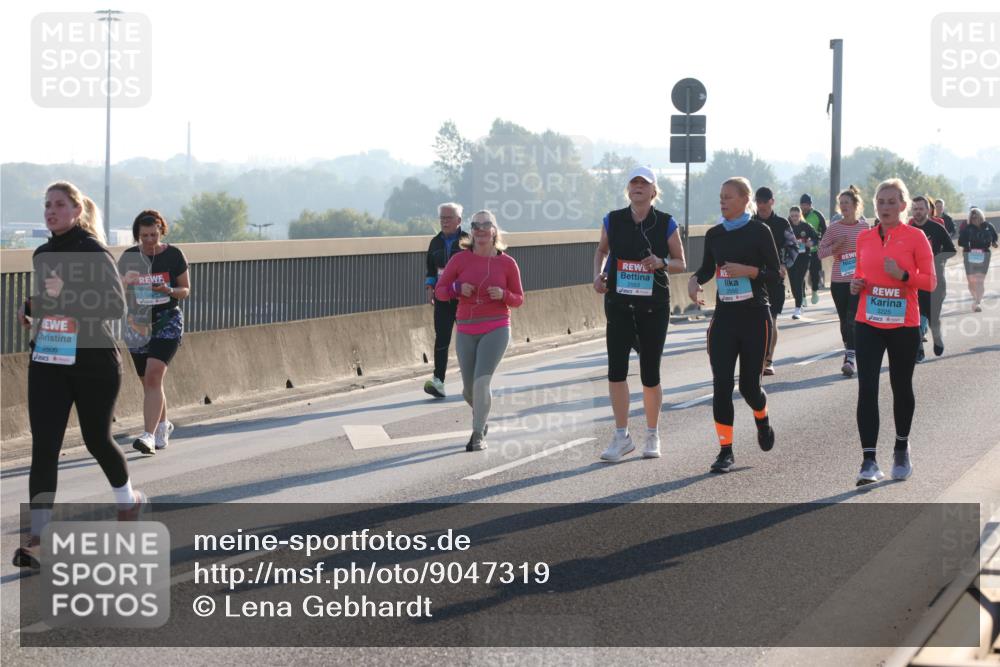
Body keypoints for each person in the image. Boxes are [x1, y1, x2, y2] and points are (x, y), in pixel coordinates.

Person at [13, 182, 147, 569]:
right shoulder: (42, 254)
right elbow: (48, 298)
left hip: (93, 361)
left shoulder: (92, 251)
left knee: (96, 439)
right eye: (46, 205)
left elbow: (114, 306)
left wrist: (66, 293)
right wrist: (30, 308)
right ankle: (39, 537)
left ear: (76, 210)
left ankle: (128, 502)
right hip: (50, 360)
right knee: (44, 447)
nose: (50, 211)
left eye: (58, 205)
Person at [592, 166, 686, 461]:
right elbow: (601, 252)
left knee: (649, 373)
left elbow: (681, 262)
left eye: (643, 184)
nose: (638, 187)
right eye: (633, 183)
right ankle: (621, 436)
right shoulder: (613, 219)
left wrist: (661, 261)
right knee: (616, 371)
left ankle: (652, 434)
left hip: (653, 306)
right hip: (619, 303)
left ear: (654, 191)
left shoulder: (666, 223)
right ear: (627, 190)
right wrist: (597, 276)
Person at [688, 177, 779, 473]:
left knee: (750, 388)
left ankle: (761, 417)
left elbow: (775, 274)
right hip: (725, 318)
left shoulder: (760, 231)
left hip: (755, 317)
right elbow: (705, 269)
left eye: (728, 196)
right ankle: (725, 451)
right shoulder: (715, 234)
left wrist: (750, 271)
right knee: (722, 385)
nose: (722, 201)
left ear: (744, 199)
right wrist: (694, 280)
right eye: (720, 196)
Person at [851, 178, 935, 485]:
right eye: (880, 202)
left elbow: (929, 282)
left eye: (891, 202)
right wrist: (856, 284)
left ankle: (901, 447)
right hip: (868, 322)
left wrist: (902, 275)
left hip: (903, 324)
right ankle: (869, 461)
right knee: (867, 389)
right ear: (874, 206)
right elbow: (860, 274)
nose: (885, 207)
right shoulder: (864, 238)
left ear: (903, 206)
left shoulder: (916, 237)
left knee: (901, 387)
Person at [435, 210, 523, 451]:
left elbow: (519, 299)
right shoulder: (460, 260)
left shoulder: (507, 263)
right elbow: (440, 292)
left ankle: (477, 436)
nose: (481, 229)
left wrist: (504, 295)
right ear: (471, 231)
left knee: (481, 383)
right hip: (466, 328)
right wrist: (457, 287)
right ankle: (482, 420)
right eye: (476, 225)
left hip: (496, 326)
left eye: (487, 225)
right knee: (468, 389)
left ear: (495, 231)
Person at [118, 210, 190, 454]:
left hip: (167, 320)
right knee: (149, 381)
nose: (149, 240)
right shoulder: (128, 257)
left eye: (153, 234)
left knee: (153, 375)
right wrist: (125, 281)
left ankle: (147, 436)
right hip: (137, 322)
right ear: (137, 235)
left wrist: (169, 290)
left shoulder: (174, 254)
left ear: (161, 231)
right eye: (143, 236)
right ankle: (162, 426)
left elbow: (185, 290)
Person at [819, 186, 870, 376]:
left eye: (847, 203)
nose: (843, 207)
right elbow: (821, 252)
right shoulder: (834, 228)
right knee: (843, 321)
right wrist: (835, 247)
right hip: (839, 281)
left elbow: (872, 251)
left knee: (852, 319)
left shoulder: (864, 227)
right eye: (841, 204)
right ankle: (850, 350)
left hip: (858, 280)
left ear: (856, 205)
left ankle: (850, 358)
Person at [422, 203, 469, 398]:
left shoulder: (469, 240)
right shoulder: (435, 242)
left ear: (459, 220)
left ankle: (471, 380)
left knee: (467, 340)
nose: (444, 221)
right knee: (441, 338)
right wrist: (429, 287)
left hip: (465, 299)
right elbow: (431, 270)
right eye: (442, 218)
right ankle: (438, 380)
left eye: (449, 218)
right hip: (442, 298)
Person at [752, 187, 797, 376]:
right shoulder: (750, 223)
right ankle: (755, 359)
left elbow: (794, 247)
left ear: (772, 201)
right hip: (753, 277)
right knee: (754, 322)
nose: (761, 205)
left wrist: (785, 265)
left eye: (765, 201)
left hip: (774, 277)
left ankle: (768, 360)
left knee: (772, 319)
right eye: (758, 201)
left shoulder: (781, 223)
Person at [909, 196, 955, 359]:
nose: (918, 212)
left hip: (936, 279)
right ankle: (918, 349)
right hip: (916, 279)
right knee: (916, 315)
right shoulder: (908, 229)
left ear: (928, 210)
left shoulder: (937, 228)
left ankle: (937, 336)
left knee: (933, 315)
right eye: (915, 209)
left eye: (921, 209)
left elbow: (951, 249)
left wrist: (936, 259)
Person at [958, 207, 998, 312]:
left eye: (977, 216)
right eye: (972, 217)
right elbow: (960, 242)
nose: (975, 218)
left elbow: (994, 238)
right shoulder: (967, 228)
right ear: (970, 218)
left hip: (984, 254)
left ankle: (977, 302)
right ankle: (975, 298)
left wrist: (994, 243)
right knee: (971, 281)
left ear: (981, 216)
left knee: (980, 281)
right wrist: (968, 245)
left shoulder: (988, 227)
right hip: (970, 254)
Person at [787, 206, 819, 319]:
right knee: (793, 282)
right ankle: (799, 305)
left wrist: (812, 242)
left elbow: (816, 237)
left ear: (800, 215)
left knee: (799, 280)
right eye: (792, 216)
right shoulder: (786, 227)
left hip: (804, 257)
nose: (794, 218)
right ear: (790, 216)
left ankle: (797, 307)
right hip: (790, 258)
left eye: (796, 215)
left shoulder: (806, 226)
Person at [800, 193, 827, 302]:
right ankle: (802, 296)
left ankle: (814, 291)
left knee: (815, 273)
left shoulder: (817, 215)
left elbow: (825, 230)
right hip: (800, 251)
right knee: (800, 274)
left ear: (811, 205)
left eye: (806, 204)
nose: (804, 207)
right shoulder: (797, 214)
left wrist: (821, 242)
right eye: (802, 204)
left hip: (815, 249)